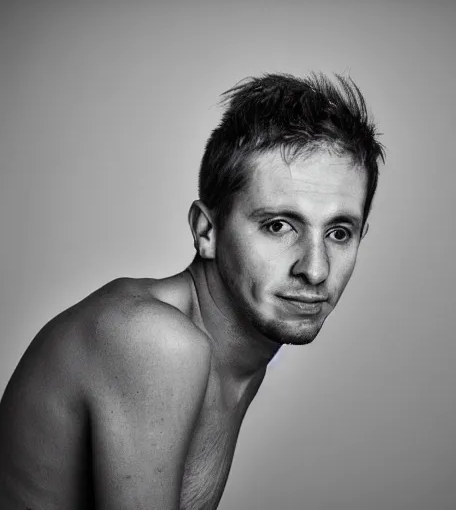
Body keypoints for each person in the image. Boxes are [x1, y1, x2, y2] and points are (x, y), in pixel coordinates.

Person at [0, 72, 385, 510]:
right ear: (207, 231)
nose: (315, 269)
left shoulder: (239, 350)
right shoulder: (155, 341)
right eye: (278, 226)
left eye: (339, 232)